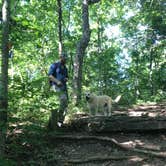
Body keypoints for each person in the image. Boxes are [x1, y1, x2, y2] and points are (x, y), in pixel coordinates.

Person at [48, 53, 68, 127]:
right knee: (58, 103)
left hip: (63, 88)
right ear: (60, 58)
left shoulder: (65, 68)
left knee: (65, 105)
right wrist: (57, 81)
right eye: (64, 58)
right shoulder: (55, 65)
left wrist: (66, 79)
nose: (65, 59)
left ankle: (60, 122)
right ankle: (53, 123)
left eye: (66, 58)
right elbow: (50, 76)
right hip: (55, 87)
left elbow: (66, 77)